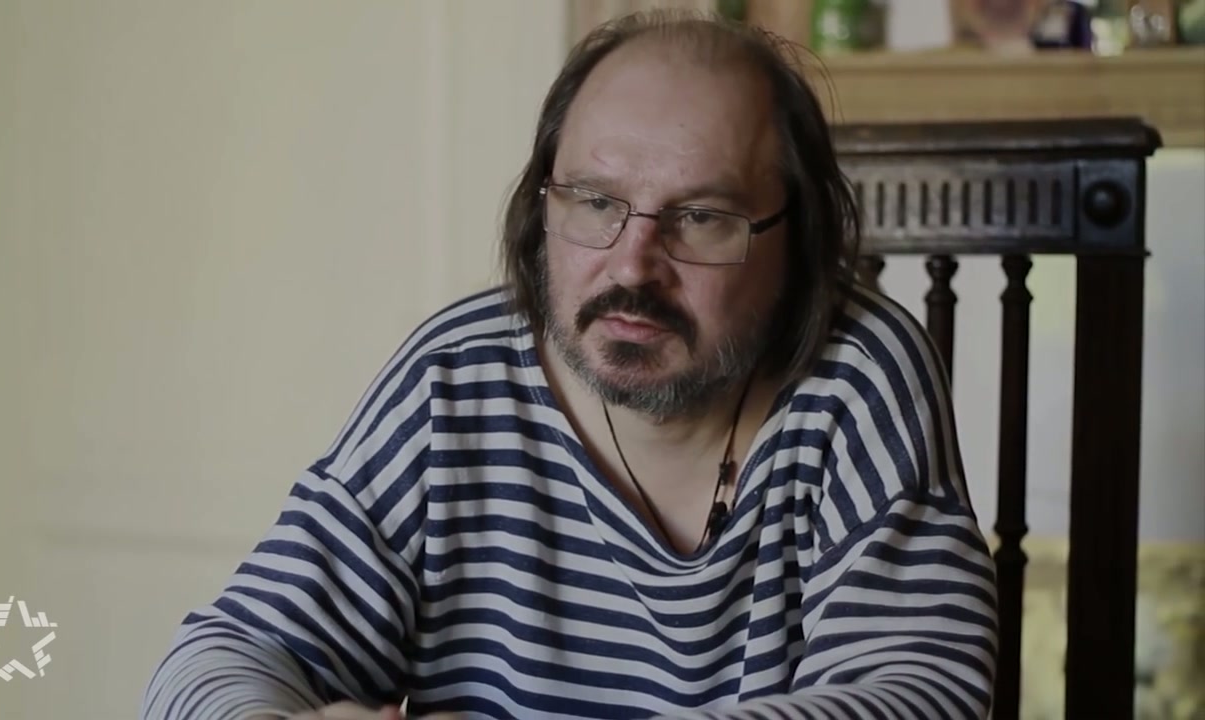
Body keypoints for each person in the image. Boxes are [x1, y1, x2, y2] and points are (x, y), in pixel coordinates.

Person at [141, 10, 997, 720]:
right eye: (594, 201)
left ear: (797, 241)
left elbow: (921, 692)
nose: (632, 266)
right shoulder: (454, 381)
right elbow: (227, 654)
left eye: (701, 217)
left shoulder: (857, 376)